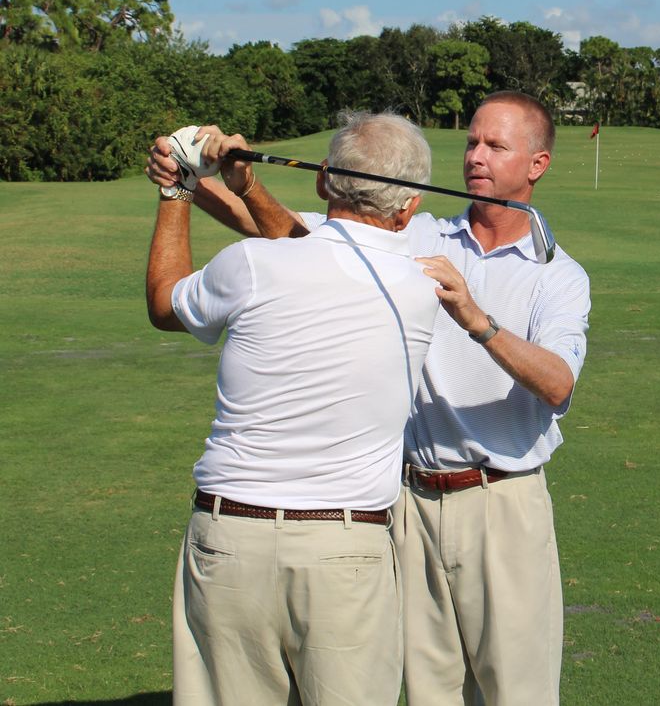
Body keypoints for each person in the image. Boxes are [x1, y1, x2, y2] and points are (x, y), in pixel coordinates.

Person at [148, 92, 591, 705]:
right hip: (405, 499)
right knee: (427, 691)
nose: (475, 157)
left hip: (501, 500)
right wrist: (195, 180)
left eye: (495, 145)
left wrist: (476, 319)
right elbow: (299, 238)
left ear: (537, 163)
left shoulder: (557, 274)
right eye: (470, 142)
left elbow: (558, 383)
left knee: (516, 690)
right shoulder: (418, 232)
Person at [145, 111, 441, 706]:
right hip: (345, 550)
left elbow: (164, 303)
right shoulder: (419, 288)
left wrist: (180, 190)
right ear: (407, 208)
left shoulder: (249, 264)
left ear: (322, 180)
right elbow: (320, 254)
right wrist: (244, 186)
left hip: (229, 539)